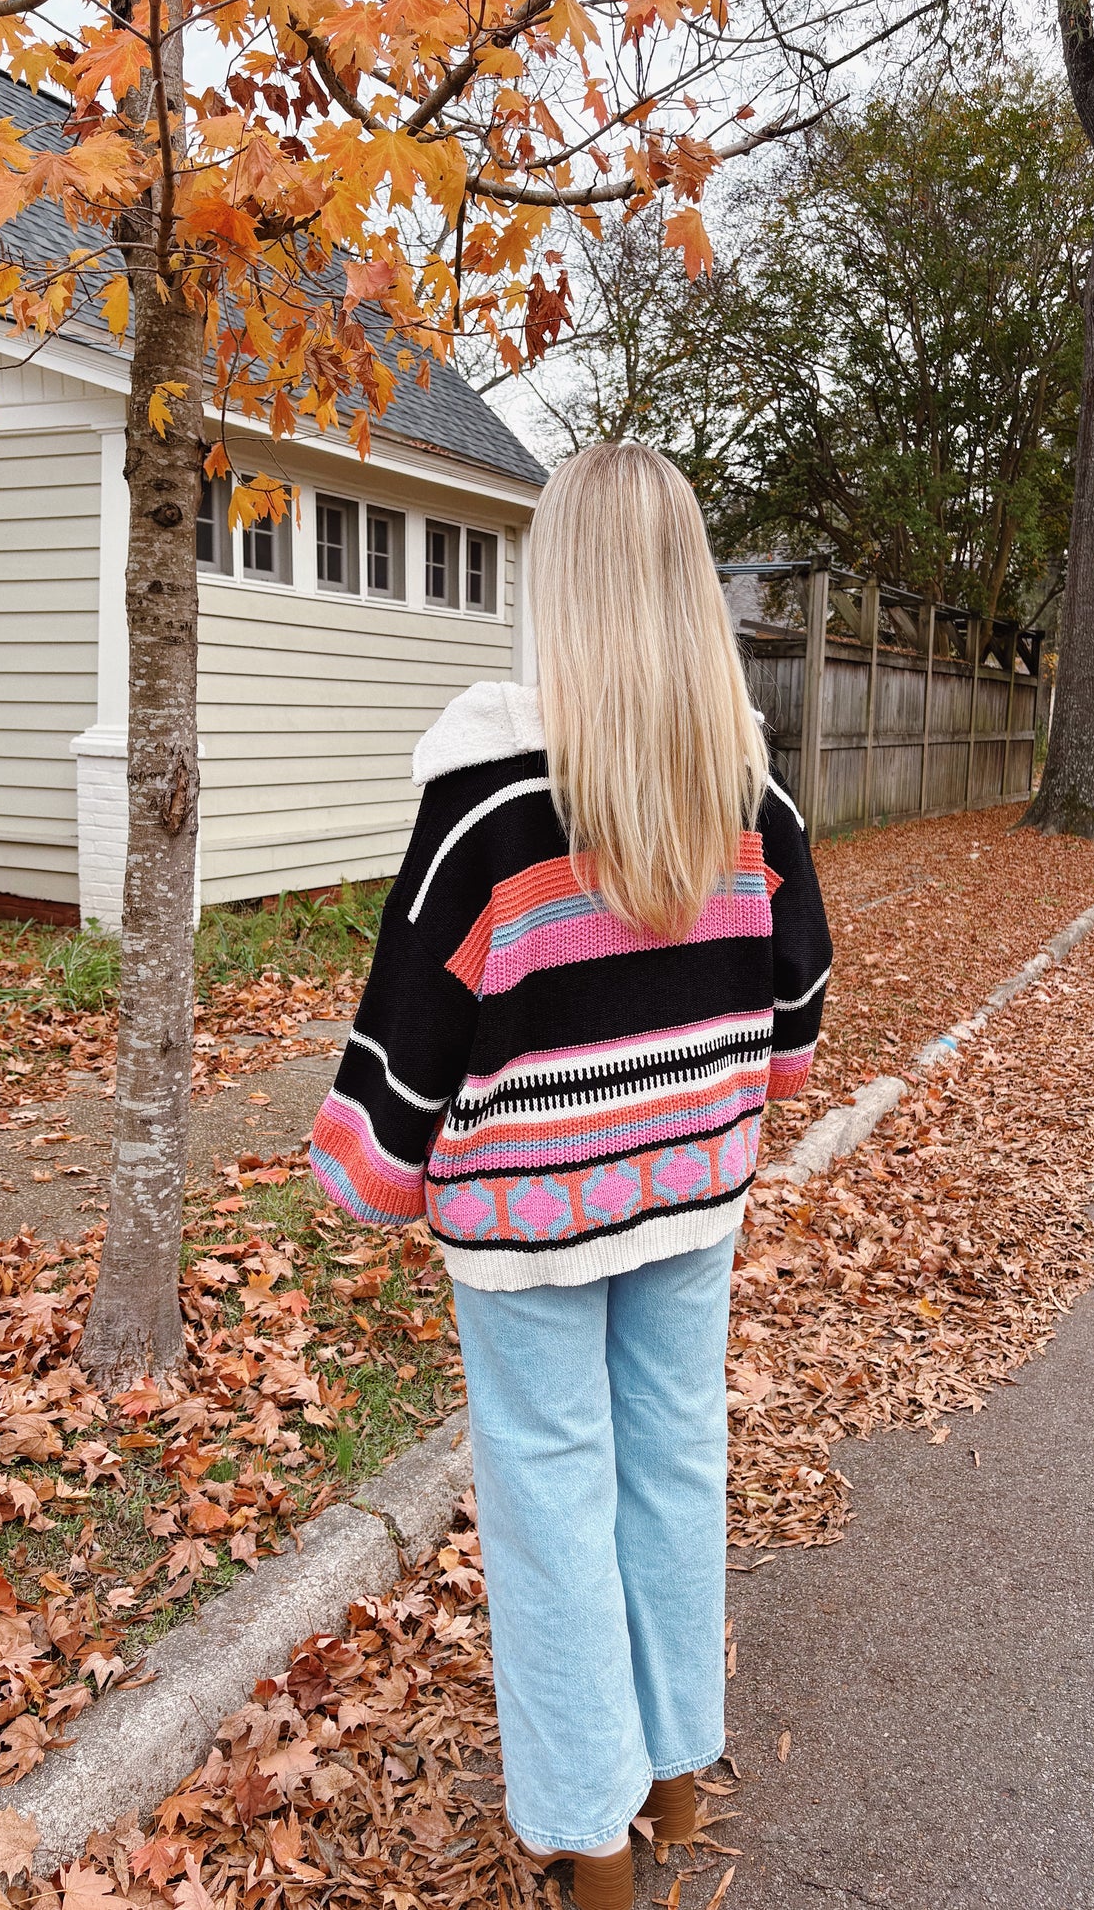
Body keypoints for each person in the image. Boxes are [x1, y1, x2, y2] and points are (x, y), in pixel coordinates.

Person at [308, 441, 832, 1910]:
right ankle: (672, 1778)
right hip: (690, 1188)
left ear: (558, 587)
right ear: (687, 591)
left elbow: (410, 1039)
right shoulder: (752, 794)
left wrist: (366, 1177)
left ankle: (588, 1841)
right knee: (673, 1463)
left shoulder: (486, 805)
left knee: (550, 1506)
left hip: (527, 1217)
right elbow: (796, 1018)